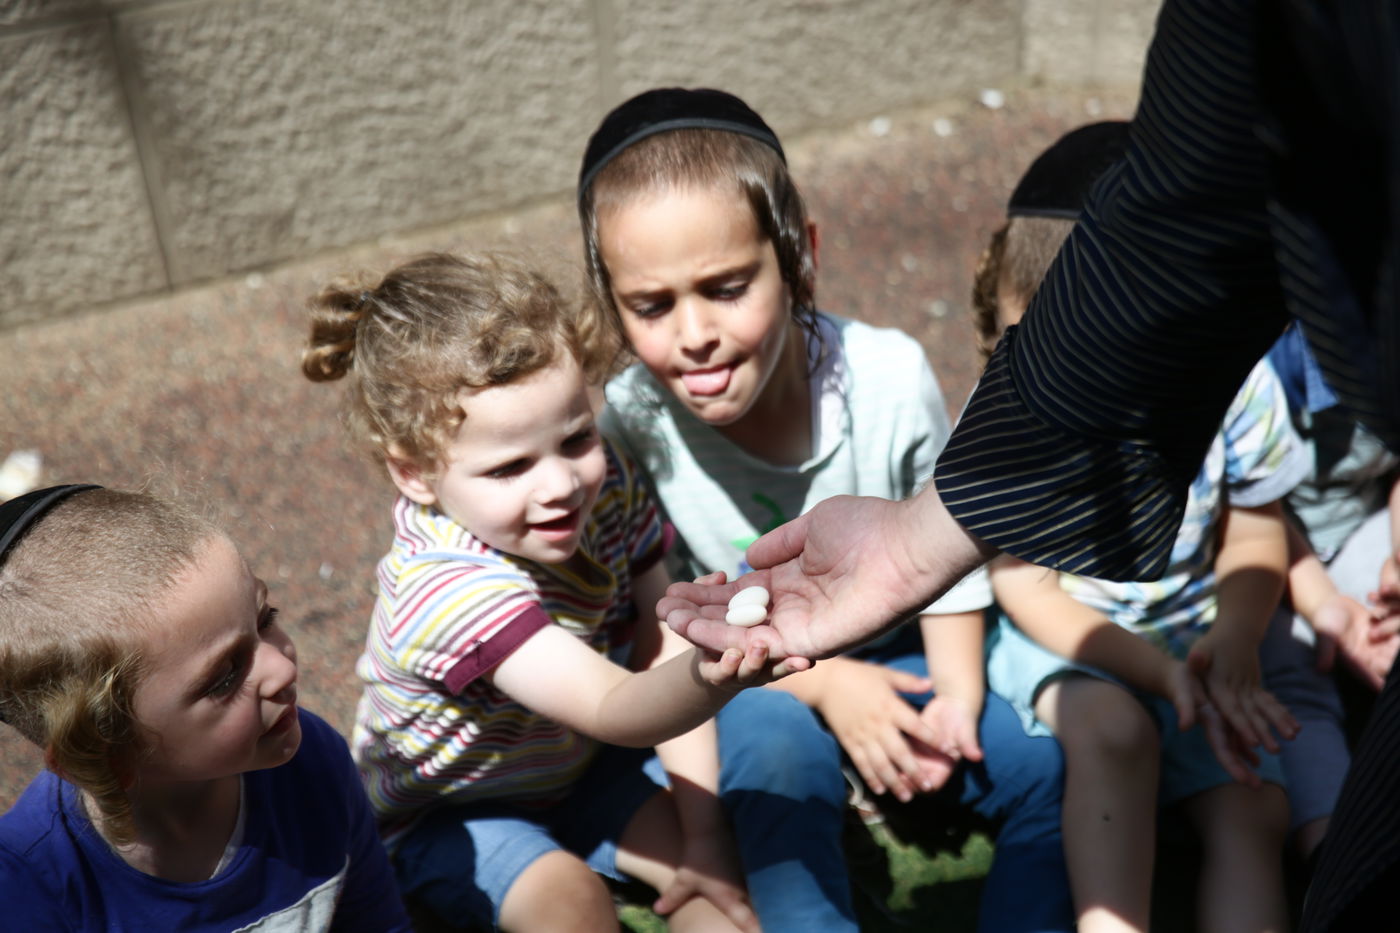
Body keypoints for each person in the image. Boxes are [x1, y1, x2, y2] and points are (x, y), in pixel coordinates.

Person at [654, 3, 1399, 929]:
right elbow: (1022, 579)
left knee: (1254, 804)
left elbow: (1256, 525)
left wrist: (1239, 637)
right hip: (1084, 652)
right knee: (1109, 739)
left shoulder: (1240, 398)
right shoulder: (1001, 413)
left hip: (1201, 643)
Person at [579, 86, 1073, 933]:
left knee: (1043, 765)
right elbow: (670, 627)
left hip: (905, 656)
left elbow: (950, 551)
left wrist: (956, 699)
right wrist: (833, 686)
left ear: (799, 258)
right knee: (775, 752)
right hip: (751, 690)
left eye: (726, 287)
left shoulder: (889, 378)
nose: (693, 333)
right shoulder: (630, 421)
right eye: (651, 305)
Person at [302, 251, 798, 933]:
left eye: (575, 436)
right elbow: (612, 704)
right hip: (454, 814)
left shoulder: (604, 484)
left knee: (718, 887)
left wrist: (704, 833)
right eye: (510, 467)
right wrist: (716, 667)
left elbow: (659, 641)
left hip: (580, 769)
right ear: (414, 473)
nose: (561, 484)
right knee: (571, 902)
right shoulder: (446, 588)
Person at [0, 484, 413, 931]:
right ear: (106, 757)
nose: (281, 668)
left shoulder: (313, 761)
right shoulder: (28, 889)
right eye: (225, 677)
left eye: (265, 620)